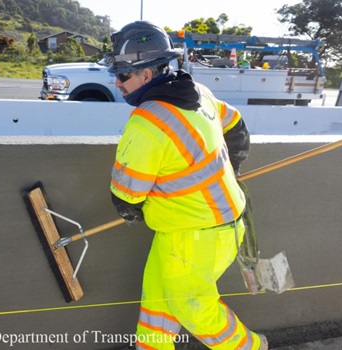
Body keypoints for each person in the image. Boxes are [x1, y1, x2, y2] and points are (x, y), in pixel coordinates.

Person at [107, 21, 268, 350]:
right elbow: (235, 126)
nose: (117, 81)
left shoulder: (147, 122)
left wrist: (135, 214)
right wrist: (229, 169)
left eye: (122, 74)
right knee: (158, 301)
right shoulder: (199, 93)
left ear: (147, 75)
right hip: (221, 225)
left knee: (196, 311)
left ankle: (253, 347)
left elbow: (126, 196)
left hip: (193, 238)